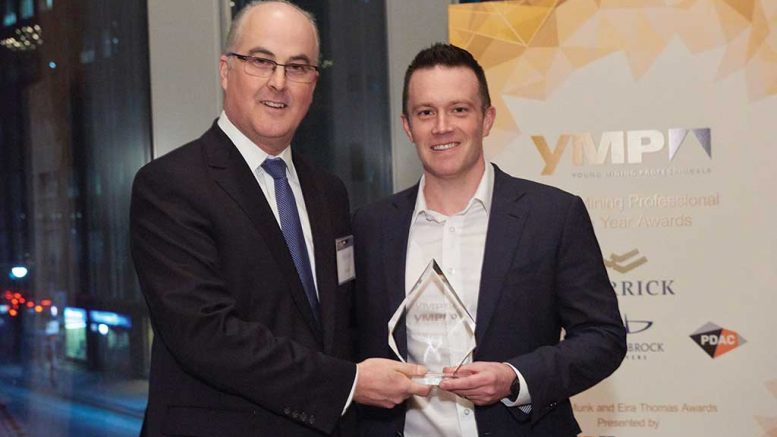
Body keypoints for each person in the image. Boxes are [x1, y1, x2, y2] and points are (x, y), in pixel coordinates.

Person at [130, 2, 428, 436]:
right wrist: (349, 383)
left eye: (298, 66)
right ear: (225, 70)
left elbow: (338, 326)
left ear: (314, 84)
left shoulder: (328, 191)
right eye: (261, 61)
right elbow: (206, 334)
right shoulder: (170, 185)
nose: (279, 82)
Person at [352, 43, 627, 437]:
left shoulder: (553, 216)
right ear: (407, 125)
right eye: (426, 112)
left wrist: (515, 378)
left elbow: (603, 337)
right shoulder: (370, 227)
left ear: (487, 119)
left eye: (459, 109)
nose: (442, 126)